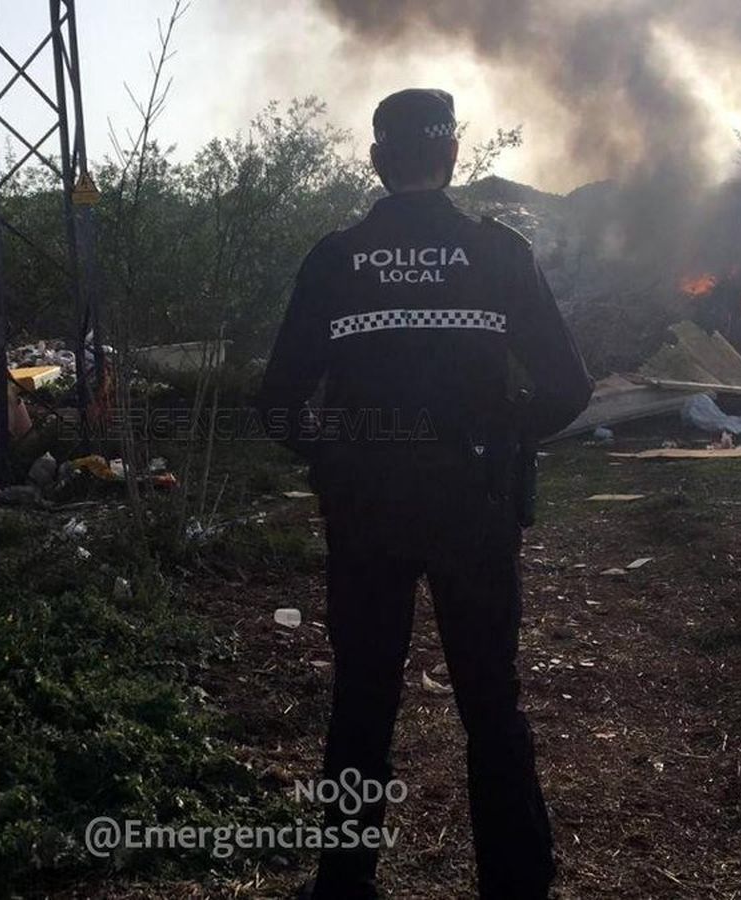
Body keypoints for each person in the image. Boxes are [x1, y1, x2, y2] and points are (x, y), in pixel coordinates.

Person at [258, 89, 594, 899]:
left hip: (366, 510)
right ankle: (515, 885)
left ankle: (343, 883)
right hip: (473, 508)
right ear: (452, 158)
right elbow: (569, 387)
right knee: (490, 699)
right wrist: (502, 437)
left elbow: (276, 402)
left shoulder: (335, 257)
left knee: (363, 695)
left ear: (378, 161)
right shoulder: (499, 253)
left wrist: (335, 453)